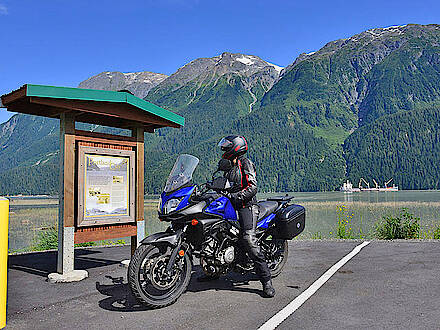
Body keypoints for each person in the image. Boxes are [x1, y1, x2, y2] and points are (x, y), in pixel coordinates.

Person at [218, 135, 275, 298]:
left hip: (246, 206)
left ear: (236, 147)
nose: (224, 149)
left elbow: (252, 186)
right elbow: (222, 182)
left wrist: (238, 196)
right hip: (230, 204)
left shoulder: (245, 163)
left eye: (227, 147)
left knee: (249, 239)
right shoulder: (228, 165)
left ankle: (266, 280)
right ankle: (212, 270)